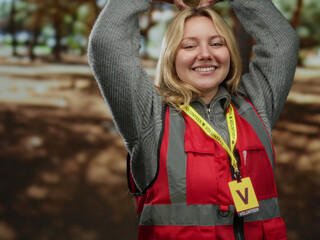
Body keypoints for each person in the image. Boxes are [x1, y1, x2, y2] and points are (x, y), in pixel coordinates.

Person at [88, 0, 299, 239]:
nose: (205, 54)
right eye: (189, 46)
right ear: (171, 56)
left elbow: (283, 44)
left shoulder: (254, 107)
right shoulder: (149, 117)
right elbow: (107, 45)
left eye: (216, 43)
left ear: (229, 50)